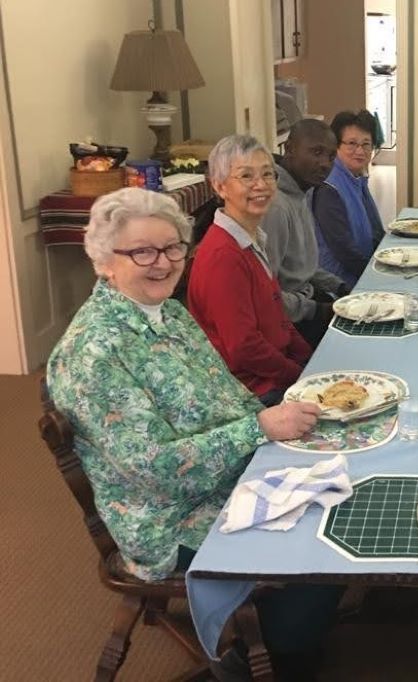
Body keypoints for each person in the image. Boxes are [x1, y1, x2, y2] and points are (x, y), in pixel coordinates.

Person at [46, 187, 335, 680]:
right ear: (103, 261)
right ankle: (273, 650)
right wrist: (261, 428)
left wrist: (278, 433)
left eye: (173, 247)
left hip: (224, 471)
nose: (162, 262)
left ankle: (296, 619)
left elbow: (229, 397)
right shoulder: (92, 353)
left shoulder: (170, 314)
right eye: (142, 251)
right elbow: (155, 471)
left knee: (335, 472)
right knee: (317, 543)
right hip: (167, 517)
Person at [187, 135, 313, 405]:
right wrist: (300, 375)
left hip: (276, 373)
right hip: (252, 391)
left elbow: (278, 316)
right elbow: (244, 349)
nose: (261, 185)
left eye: (268, 174)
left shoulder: (252, 237)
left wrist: (311, 358)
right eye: (246, 176)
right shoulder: (223, 255)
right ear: (220, 187)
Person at [262, 118, 350, 348]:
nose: (324, 164)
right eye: (316, 152)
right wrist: (318, 311)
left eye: (331, 157)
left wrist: (339, 286)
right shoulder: (277, 207)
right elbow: (266, 296)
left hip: (309, 301)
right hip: (291, 321)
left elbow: (302, 267)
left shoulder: (301, 194)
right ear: (289, 149)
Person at [312, 109, 386, 288]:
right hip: (340, 284)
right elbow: (344, 251)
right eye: (352, 143)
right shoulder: (329, 187)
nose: (360, 151)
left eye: (366, 144)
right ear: (336, 146)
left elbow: (375, 231)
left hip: (361, 270)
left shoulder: (356, 178)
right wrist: (378, 275)